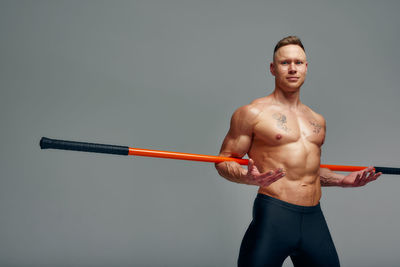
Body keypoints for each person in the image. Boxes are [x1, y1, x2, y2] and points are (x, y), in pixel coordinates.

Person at [215, 36, 382, 267]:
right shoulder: (252, 113)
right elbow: (223, 161)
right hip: (275, 215)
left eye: (298, 62)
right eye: (285, 63)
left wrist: (343, 181)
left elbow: (310, 171)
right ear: (273, 69)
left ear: (306, 67)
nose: (293, 68)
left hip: (314, 218)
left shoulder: (317, 120)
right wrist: (246, 177)